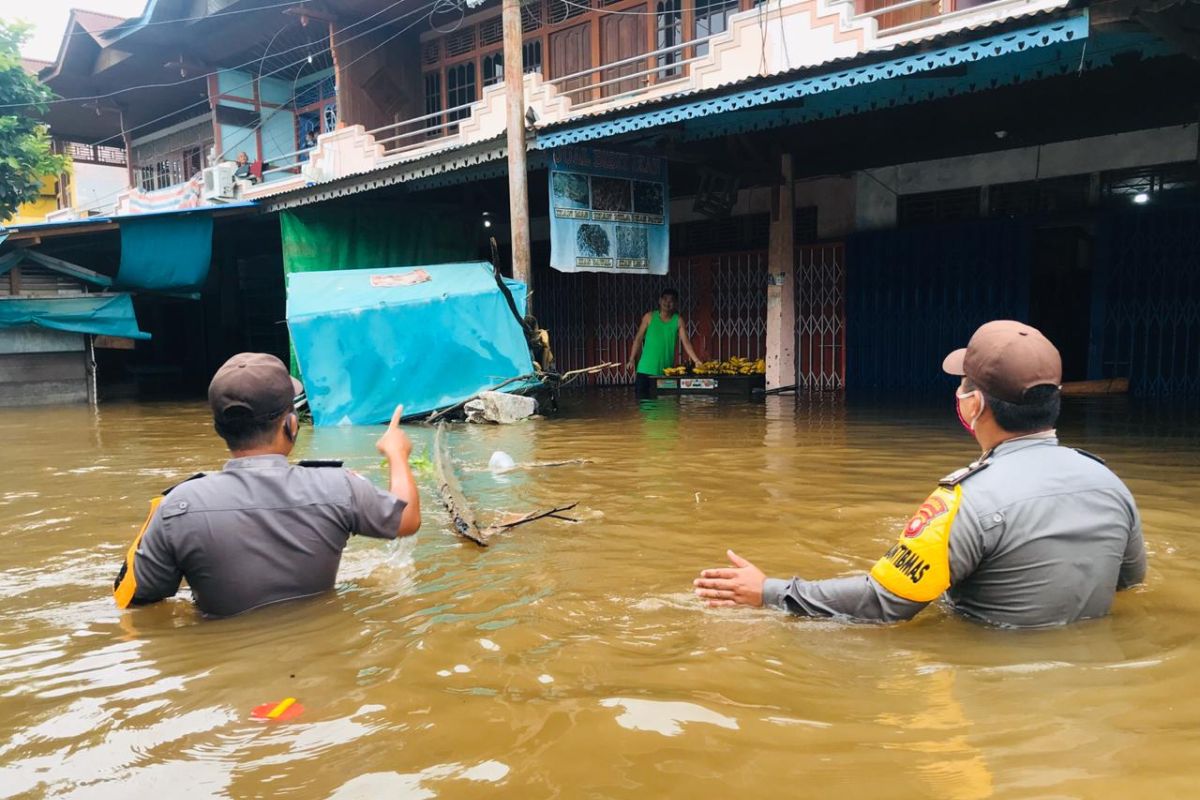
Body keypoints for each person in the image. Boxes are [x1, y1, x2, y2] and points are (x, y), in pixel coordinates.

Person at [694, 320, 1147, 628]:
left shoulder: (965, 500)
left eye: (964, 384)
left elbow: (885, 604)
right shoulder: (1109, 483)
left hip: (987, 678)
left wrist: (770, 592)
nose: (960, 392)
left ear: (976, 405)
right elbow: (1128, 582)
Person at [113, 353, 421, 618]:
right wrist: (396, 453)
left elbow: (136, 600)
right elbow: (407, 520)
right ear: (291, 425)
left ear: (218, 429)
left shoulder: (176, 507)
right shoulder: (338, 487)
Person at [625, 288, 702, 399]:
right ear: (660, 301)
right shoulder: (649, 317)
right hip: (645, 370)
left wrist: (696, 360)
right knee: (644, 406)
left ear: (675, 304)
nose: (667, 303)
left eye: (671, 300)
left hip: (666, 372)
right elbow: (638, 338)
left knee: (666, 405)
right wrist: (632, 358)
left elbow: (686, 342)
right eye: (665, 299)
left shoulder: (678, 320)